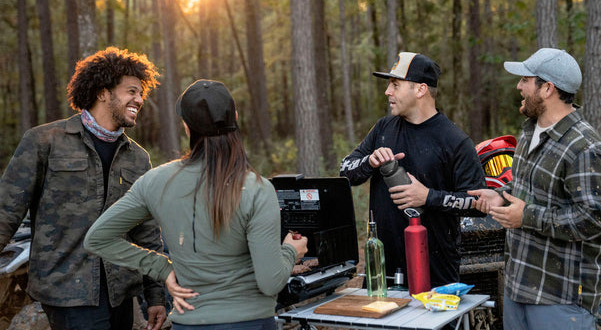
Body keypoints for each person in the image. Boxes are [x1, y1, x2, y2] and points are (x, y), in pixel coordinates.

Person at [84, 79, 308, 330]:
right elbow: (271, 281)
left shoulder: (155, 182)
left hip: (188, 323)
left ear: (186, 127)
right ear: (235, 117)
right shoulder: (257, 189)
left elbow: (97, 238)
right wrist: (291, 250)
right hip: (251, 322)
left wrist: (162, 269)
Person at [0, 47, 166, 330]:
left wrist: (155, 296)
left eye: (141, 94)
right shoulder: (45, 142)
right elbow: (6, 212)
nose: (139, 99)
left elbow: (146, 232)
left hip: (120, 295)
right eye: (131, 91)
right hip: (67, 293)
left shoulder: (137, 158)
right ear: (103, 92)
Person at [470, 48, 601, 330]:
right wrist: (499, 195)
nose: (519, 86)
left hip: (561, 298)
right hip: (519, 285)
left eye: (525, 79)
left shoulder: (585, 148)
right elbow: (529, 189)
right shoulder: (529, 131)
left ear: (547, 88)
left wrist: (527, 217)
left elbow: (594, 219)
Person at [339, 52, 486, 287]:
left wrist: (428, 197)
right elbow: (345, 171)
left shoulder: (455, 141)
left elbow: (478, 203)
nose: (388, 92)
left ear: (420, 90)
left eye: (395, 85)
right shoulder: (383, 128)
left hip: (434, 273)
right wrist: (370, 161)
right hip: (382, 270)